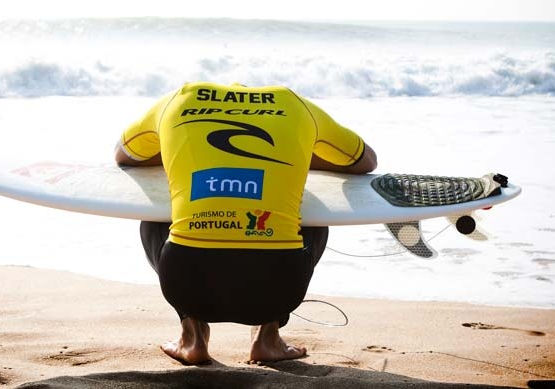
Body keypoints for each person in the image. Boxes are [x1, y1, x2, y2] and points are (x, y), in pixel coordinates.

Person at [115, 82, 377, 365]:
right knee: (310, 210)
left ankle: (192, 337)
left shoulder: (178, 100)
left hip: (186, 285)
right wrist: (298, 156)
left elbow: (124, 155)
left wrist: (178, 152)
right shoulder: (295, 105)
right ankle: (268, 337)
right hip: (279, 289)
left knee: (158, 210)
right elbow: (366, 161)